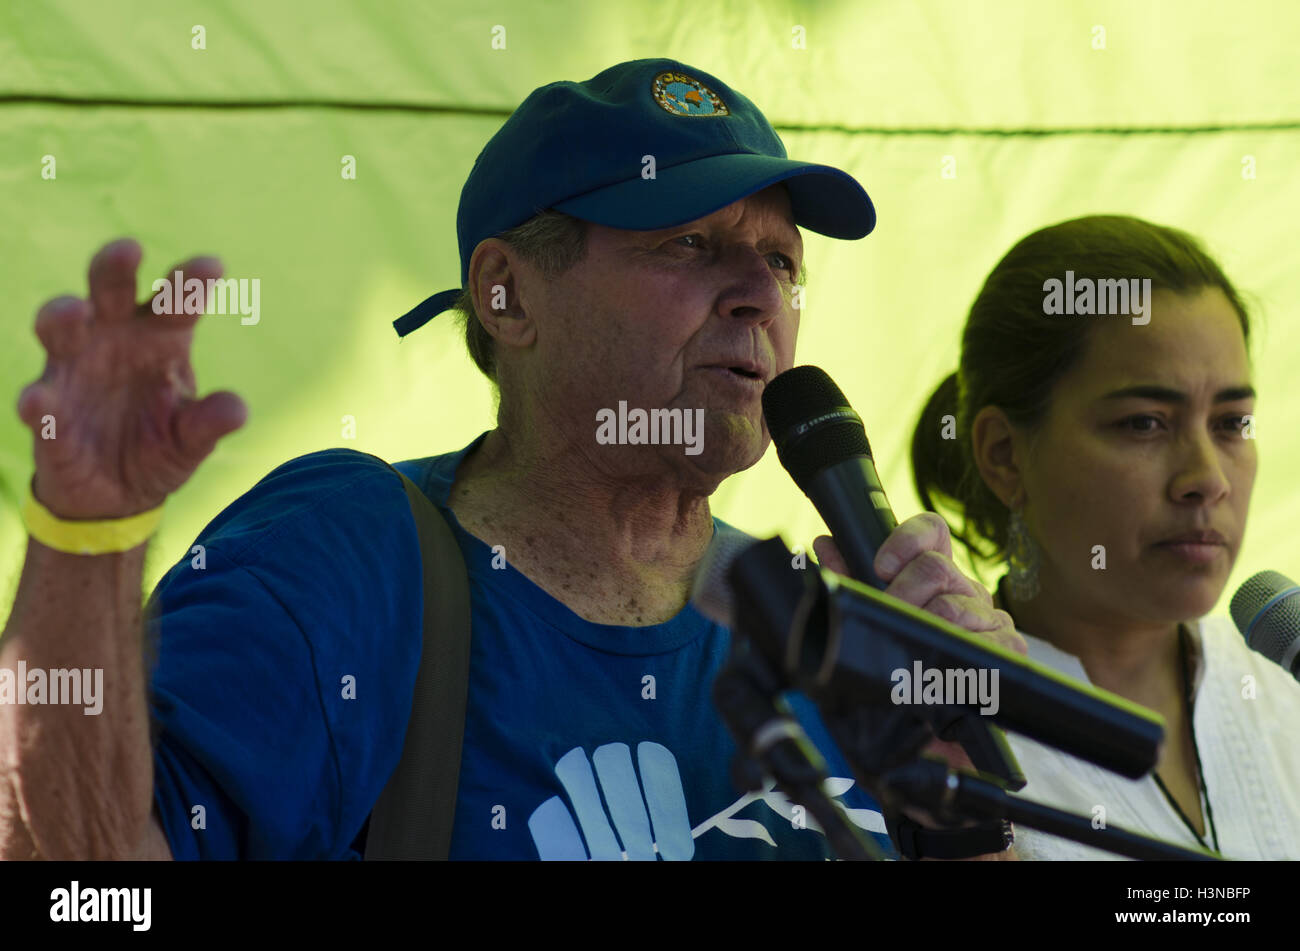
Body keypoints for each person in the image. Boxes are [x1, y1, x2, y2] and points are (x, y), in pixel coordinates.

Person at [2, 58, 1023, 861]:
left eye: (783, 262)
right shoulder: (349, 555)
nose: (760, 294)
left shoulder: (814, 625)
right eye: (691, 247)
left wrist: (960, 810)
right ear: (507, 295)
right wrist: (87, 536)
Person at [909, 214, 1300, 859]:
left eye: (1232, 423)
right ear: (1005, 454)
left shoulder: (1281, 687)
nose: (1206, 479)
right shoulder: (940, 731)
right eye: (1144, 423)